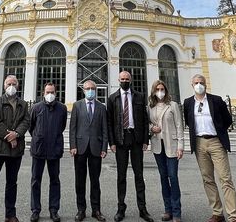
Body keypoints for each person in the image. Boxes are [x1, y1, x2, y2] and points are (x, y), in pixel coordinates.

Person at [182, 74, 236, 222]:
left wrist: (219, 132)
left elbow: (227, 119)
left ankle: (233, 216)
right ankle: (217, 212)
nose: (199, 85)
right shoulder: (188, 102)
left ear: (206, 84)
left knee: (225, 179)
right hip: (199, 143)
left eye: (201, 82)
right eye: (196, 83)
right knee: (207, 179)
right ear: (192, 85)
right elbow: (189, 122)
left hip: (216, 142)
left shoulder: (216, 100)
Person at [107, 70, 153, 222]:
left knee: (139, 175)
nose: (125, 81)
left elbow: (145, 120)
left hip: (136, 138)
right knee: (121, 176)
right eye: (122, 79)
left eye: (127, 79)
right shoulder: (112, 98)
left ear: (131, 80)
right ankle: (121, 208)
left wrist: (146, 139)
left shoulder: (139, 96)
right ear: (118, 79)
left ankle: (143, 208)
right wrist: (112, 142)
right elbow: (110, 122)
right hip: (120, 139)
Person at [0, 75, 30, 222]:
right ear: (4, 86)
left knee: (12, 184)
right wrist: (10, 137)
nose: (11, 86)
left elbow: (26, 121)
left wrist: (16, 134)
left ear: (18, 86)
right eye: (9, 83)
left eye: (14, 84)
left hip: (15, 151)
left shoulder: (23, 104)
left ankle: (10, 215)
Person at [69, 80, 109, 222]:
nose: (90, 90)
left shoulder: (101, 107)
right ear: (83, 90)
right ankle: (81, 210)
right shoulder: (77, 106)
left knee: (95, 181)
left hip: (96, 148)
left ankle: (96, 210)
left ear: (96, 90)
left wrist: (105, 147)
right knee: (80, 181)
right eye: (88, 88)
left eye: (93, 88)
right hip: (80, 147)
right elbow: (72, 127)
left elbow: (105, 129)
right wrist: (72, 145)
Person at [28, 82, 67, 222]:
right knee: (35, 180)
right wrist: (39, 137)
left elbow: (62, 126)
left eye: (52, 92)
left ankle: (54, 210)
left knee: (55, 180)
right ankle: (35, 210)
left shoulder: (62, 108)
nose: (50, 94)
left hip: (54, 149)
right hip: (39, 148)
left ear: (56, 93)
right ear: (43, 93)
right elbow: (31, 127)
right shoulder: (36, 107)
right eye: (47, 92)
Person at [148, 80, 185, 222]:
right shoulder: (150, 107)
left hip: (172, 145)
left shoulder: (173, 105)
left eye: (162, 89)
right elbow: (148, 123)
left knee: (173, 177)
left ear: (166, 90)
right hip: (158, 146)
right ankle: (167, 209)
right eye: (157, 89)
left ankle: (177, 212)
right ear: (153, 91)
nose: (160, 91)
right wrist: (152, 128)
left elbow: (179, 125)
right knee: (163, 177)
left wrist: (181, 145)